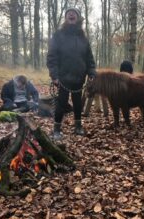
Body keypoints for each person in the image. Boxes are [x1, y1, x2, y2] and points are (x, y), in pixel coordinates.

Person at [47, 8, 96, 140]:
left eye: (74, 13)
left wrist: (91, 72)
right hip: (62, 78)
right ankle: (56, 129)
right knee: (61, 103)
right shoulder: (58, 35)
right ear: (66, 18)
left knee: (78, 103)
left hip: (79, 77)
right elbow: (52, 57)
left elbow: (89, 58)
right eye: (69, 13)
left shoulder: (83, 38)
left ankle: (78, 127)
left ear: (78, 18)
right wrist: (54, 76)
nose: (71, 14)